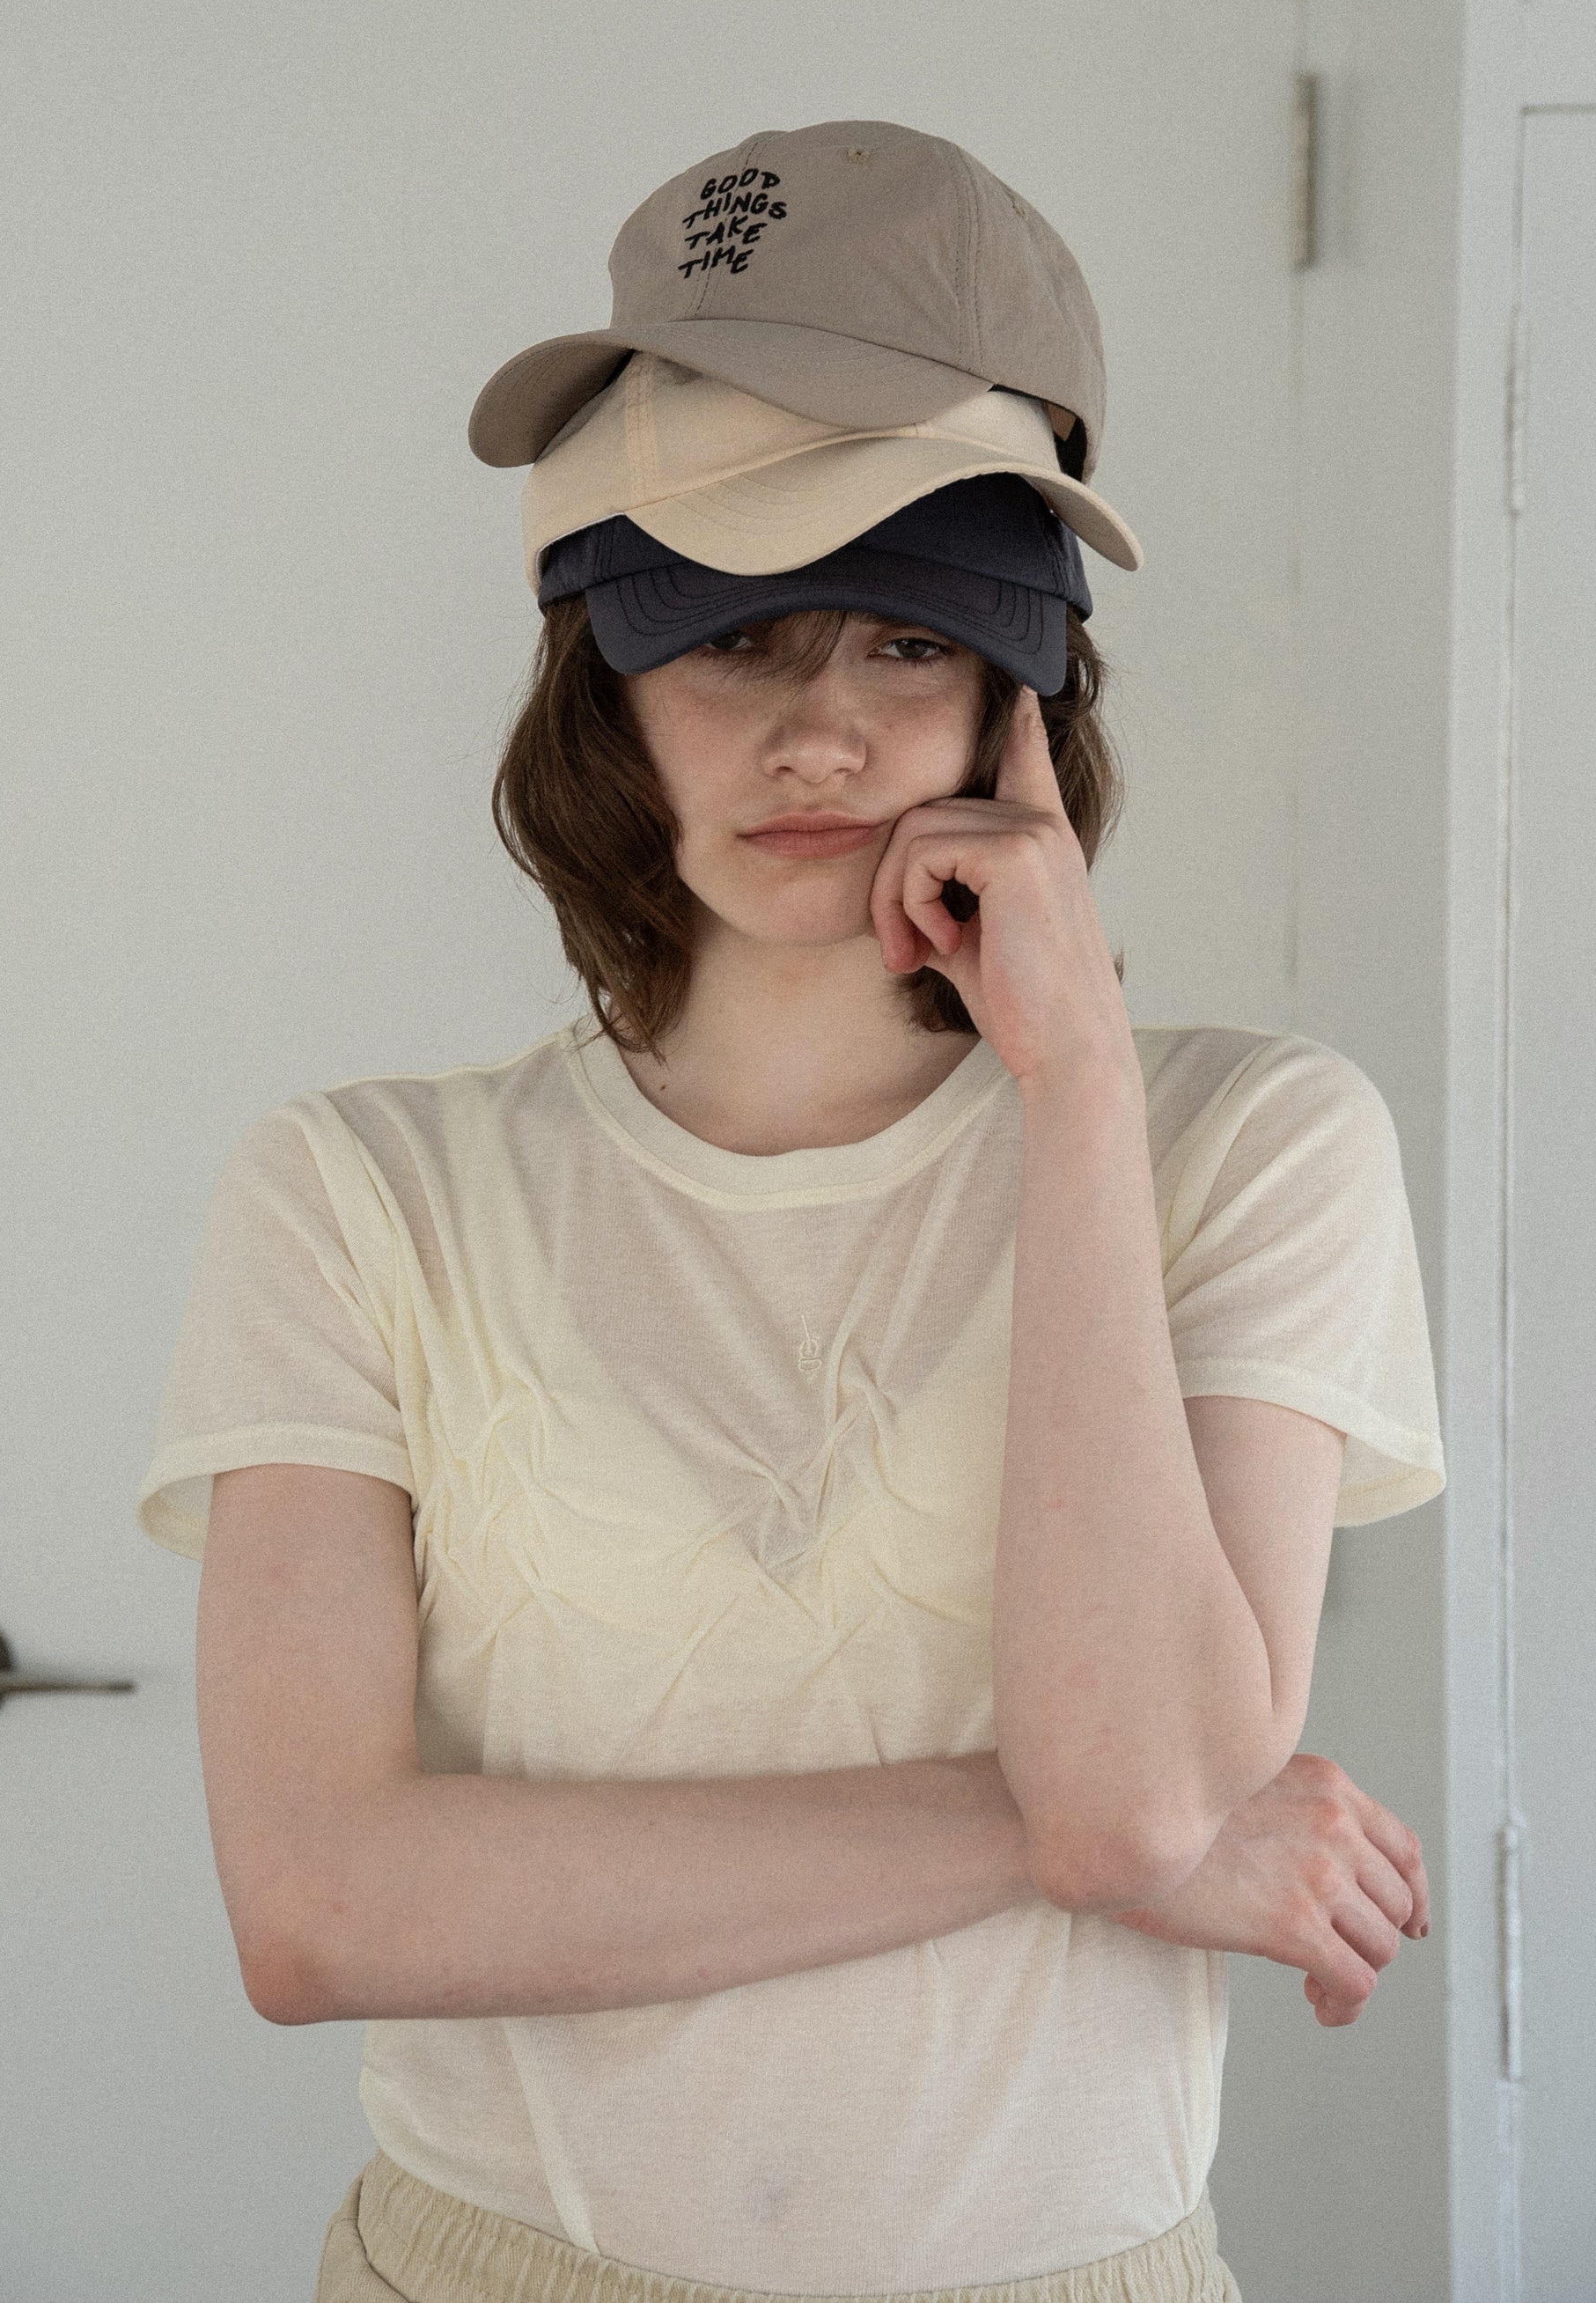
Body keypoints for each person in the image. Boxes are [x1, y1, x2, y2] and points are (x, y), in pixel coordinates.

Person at [136, 121, 1446, 2303]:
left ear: (1026, 687)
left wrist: (1078, 1089)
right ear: (607, 680)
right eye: (736, 638)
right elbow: (324, 1910)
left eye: (908, 644)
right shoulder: (359, 1194)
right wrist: (1078, 1837)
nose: (822, 737)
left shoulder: (1249, 1145)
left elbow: (1135, 1790)